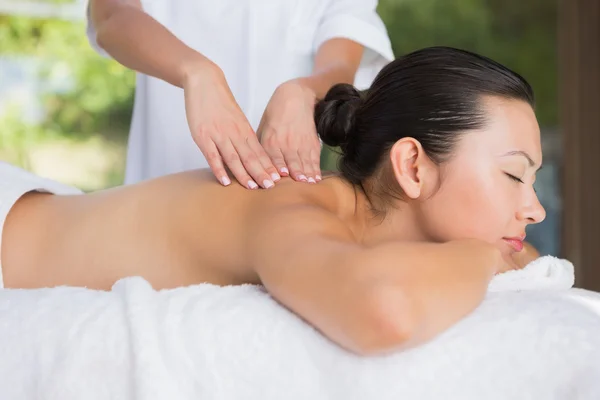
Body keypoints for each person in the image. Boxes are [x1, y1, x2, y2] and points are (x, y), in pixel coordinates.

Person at [0, 47, 545, 356]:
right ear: (412, 165)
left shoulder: (350, 224)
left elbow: (535, 264)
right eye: (513, 175)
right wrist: (487, 254)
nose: (535, 209)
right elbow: (384, 313)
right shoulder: (289, 207)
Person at [87, 0, 394, 188]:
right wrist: (197, 73)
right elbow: (112, 15)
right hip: (158, 200)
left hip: (275, 216)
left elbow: (340, 65)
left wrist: (303, 91)